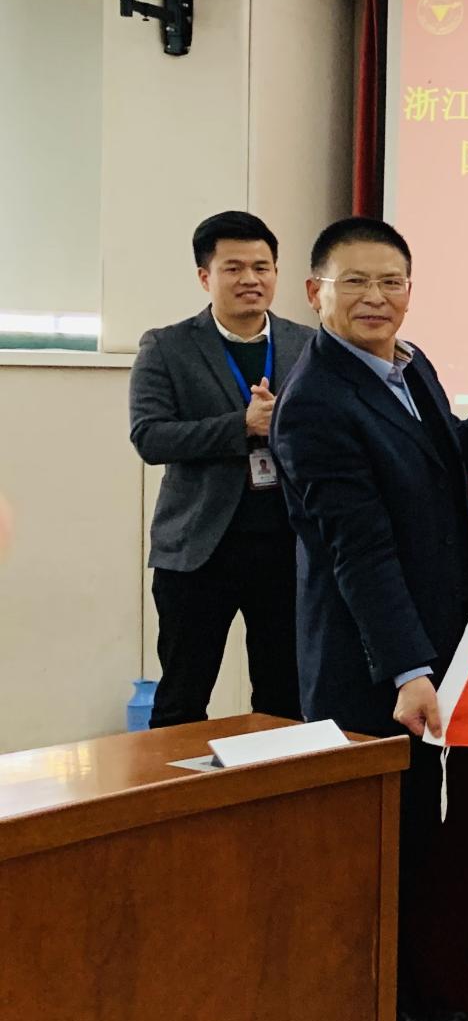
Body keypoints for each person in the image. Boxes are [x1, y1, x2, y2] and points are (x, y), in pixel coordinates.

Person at [271, 214, 468, 1021]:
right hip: (371, 665)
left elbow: (454, 453)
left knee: (413, 843)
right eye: (356, 283)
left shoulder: (408, 365)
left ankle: (399, 1002)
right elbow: (357, 553)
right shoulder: (314, 404)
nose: (376, 298)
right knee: (367, 858)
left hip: (433, 642)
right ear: (316, 292)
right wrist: (408, 671)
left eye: (391, 282)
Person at [129, 211, 313, 727]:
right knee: (183, 697)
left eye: (262, 267)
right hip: (198, 548)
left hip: (286, 545)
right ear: (204, 276)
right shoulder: (167, 346)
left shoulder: (307, 344)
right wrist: (242, 426)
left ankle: (275, 781)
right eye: (234, 268)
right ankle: (174, 783)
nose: (250, 279)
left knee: (285, 695)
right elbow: (150, 436)